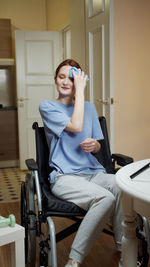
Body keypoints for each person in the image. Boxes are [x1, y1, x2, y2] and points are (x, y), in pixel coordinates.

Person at [39, 59, 123, 267]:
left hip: (93, 173)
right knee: (105, 199)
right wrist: (81, 89)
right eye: (61, 77)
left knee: (121, 186)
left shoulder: (89, 108)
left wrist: (94, 144)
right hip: (65, 177)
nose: (66, 81)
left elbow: (98, 148)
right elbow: (76, 126)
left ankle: (125, 248)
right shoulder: (48, 107)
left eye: (71, 77)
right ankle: (73, 261)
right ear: (55, 80)